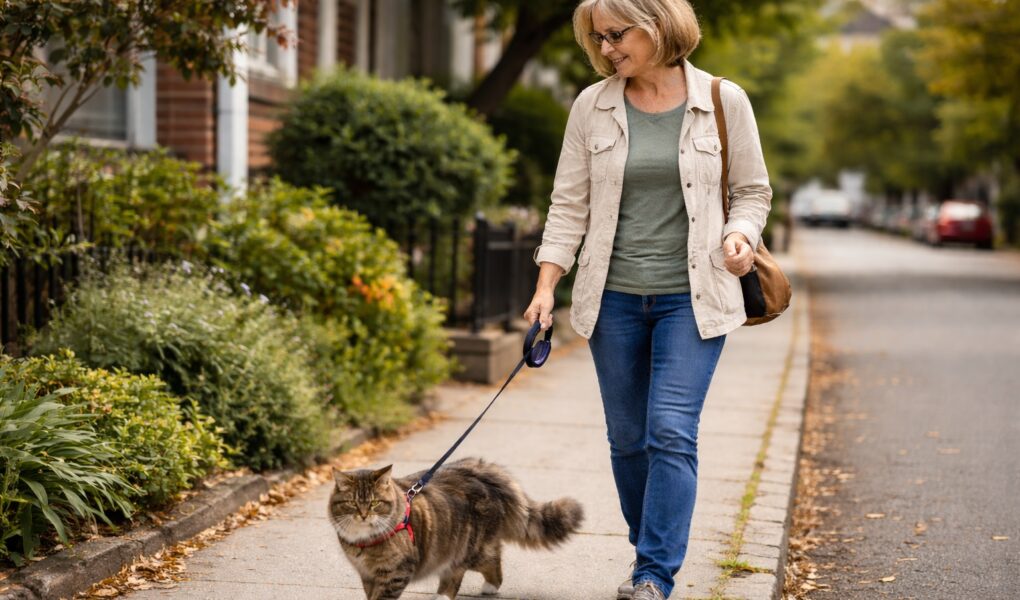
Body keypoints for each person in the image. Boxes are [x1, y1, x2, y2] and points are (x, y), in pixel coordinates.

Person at [523, 0, 772, 598]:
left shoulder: (721, 100)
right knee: (628, 438)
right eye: (598, 39)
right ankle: (649, 550)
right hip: (611, 299)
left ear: (658, 26)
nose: (607, 49)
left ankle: (655, 573)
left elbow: (752, 191)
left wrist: (740, 235)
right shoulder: (592, 106)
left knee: (670, 430)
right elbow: (568, 205)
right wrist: (544, 287)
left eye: (617, 34)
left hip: (694, 296)